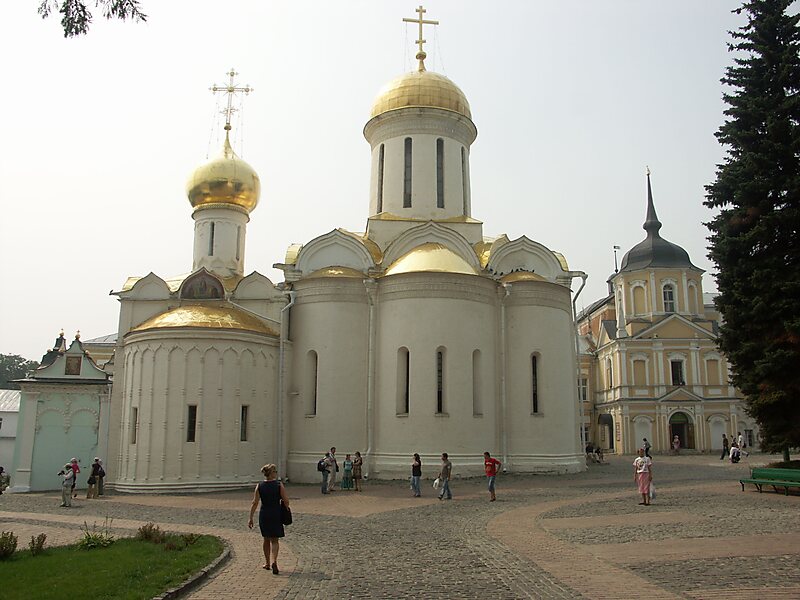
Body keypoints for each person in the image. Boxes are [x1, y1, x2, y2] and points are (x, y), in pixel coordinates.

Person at [248, 464, 289, 575]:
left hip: (264, 514)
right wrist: (286, 508)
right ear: (272, 473)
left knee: (266, 539)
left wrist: (251, 517)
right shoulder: (278, 485)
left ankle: (267, 563)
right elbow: (286, 500)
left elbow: (255, 502)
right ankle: (274, 561)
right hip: (275, 513)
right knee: (275, 540)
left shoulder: (260, 486)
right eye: (275, 471)